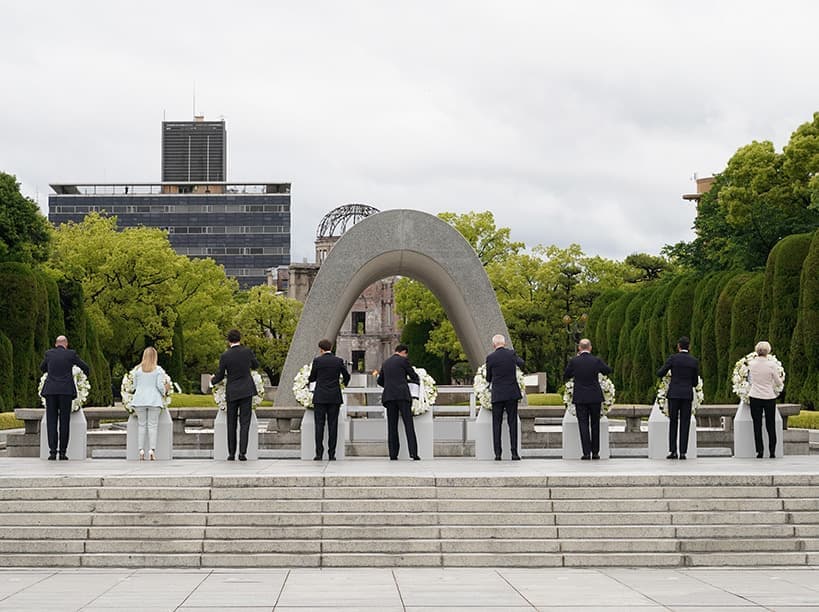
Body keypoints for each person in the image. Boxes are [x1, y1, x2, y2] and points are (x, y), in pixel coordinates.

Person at [39, 335, 90, 460]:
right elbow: (85, 366)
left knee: (51, 421)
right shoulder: (71, 354)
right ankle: (62, 452)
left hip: (50, 391)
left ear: (56, 344)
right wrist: (85, 377)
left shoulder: (49, 354)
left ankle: (52, 452)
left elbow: (42, 367)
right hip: (66, 391)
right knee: (64, 422)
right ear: (66, 344)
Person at [211, 329, 259, 461]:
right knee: (245, 423)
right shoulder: (247, 352)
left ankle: (231, 453)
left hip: (232, 391)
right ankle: (242, 453)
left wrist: (212, 380)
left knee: (231, 423)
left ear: (228, 341)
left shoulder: (225, 355)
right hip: (246, 390)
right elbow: (256, 365)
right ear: (240, 339)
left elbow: (220, 375)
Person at [563, 338, 612, 460]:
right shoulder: (596, 360)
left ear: (579, 348)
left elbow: (566, 375)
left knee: (583, 425)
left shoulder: (574, 361)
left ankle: (586, 453)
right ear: (590, 348)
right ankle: (595, 452)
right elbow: (607, 370)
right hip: (595, 396)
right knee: (595, 424)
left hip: (580, 397)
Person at [657, 336, 699, 460]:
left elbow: (660, 373)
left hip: (674, 394)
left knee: (673, 422)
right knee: (685, 423)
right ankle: (683, 452)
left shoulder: (673, 359)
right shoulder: (693, 361)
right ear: (689, 347)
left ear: (678, 346)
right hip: (686, 395)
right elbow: (695, 382)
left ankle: (673, 451)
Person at [308, 338, 351, 461]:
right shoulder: (338, 361)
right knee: (333, 425)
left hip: (320, 396)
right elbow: (347, 375)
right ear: (330, 348)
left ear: (321, 349)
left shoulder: (317, 361)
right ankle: (332, 454)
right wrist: (343, 384)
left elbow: (312, 378)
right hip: (334, 396)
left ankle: (319, 453)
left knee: (319, 425)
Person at [377, 344, 421, 460]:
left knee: (392, 426)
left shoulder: (385, 363)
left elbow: (380, 381)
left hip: (389, 396)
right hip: (402, 395)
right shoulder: (403, 361)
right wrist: (407, 381)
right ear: (404, 352)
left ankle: (393, 454)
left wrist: (389, 385)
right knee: (408, 424)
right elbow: (414, 376)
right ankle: (413, 452)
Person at [486, 334, 525, 461]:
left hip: (498, 393)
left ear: (494, 345)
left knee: (496, 423)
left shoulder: (490, 358)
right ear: (505, 343)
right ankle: (514, 453)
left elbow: (488, 377)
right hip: (511, 393)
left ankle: (498, 453)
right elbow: (522, 363)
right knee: (512, 422)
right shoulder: (511, 354)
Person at [130, 347, 170, 461]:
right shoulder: (158, 370)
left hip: (139, 400)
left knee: (141, 425)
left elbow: (134, 387)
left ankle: (141, 450)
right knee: (153, 426)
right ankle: (152, 450)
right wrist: (166, 390)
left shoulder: (137, 370)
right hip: (154, 400)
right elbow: (160, 386)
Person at [748, 340, 784, 459]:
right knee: (770, 424)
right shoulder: (771, 365)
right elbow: (778, 382)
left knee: (757, 425)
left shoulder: (751, 364)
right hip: (769, 397)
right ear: (768, 351)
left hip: (755, 396)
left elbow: (750, 380)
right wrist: (778, 382)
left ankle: (760, 451)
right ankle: (772, 450)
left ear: (756, 351)